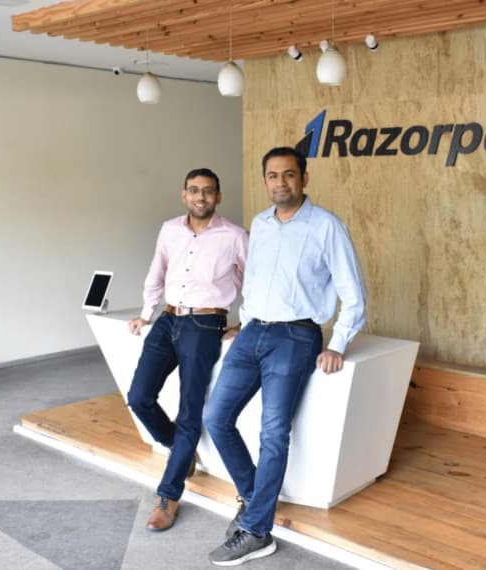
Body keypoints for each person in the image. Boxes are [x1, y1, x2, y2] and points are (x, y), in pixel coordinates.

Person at [204, 147, 367, 565]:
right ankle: (254, 499)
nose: (281, 182)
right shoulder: (260, 224)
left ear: (304, 179)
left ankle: (258, 531)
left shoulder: (326, 226)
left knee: (273, 431)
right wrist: (244, 321)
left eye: (289, 174)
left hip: (296, 336)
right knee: (216, 417)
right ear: (265, 181)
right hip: (253, 331)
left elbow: (353, 293)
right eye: (273, 176)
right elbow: (257, 280)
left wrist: (337, 343)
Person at [126, 168, 248, 532]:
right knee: (139, 396)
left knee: (190, 411)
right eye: (194, 190)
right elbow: (157, 271)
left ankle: (168, 496)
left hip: (206, 324)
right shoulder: (169, 229)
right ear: (184, 195)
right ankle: (178, 446)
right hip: (168, 319)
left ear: (218, 197)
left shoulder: (235, 236)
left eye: (208, 191)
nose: (201, 197)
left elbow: (255, 280)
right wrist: (146, 313)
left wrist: (245, 322)